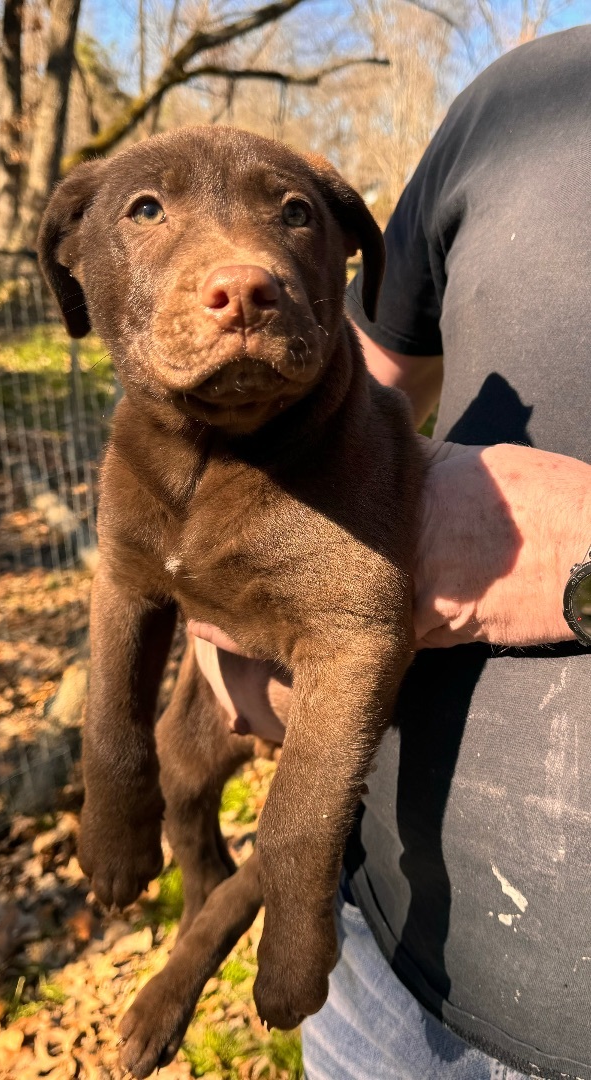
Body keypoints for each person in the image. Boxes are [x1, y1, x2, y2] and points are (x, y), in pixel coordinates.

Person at [190, 26, 591, 1080]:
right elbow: (341, 396)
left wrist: (566, 557)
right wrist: (228, 611)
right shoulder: (514, 97)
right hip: (382, 982)